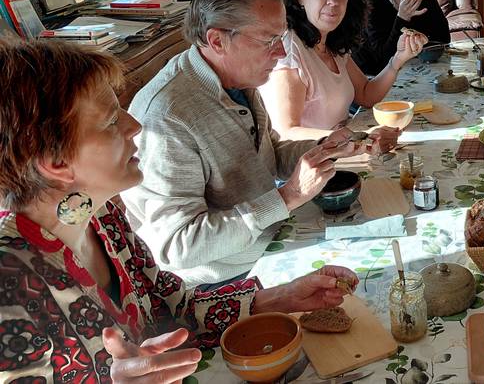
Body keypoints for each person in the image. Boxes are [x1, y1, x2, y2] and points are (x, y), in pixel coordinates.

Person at [0, 38, 358, 382]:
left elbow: (173, 308)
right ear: (56, 163)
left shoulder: (101, 218)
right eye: (111, 121)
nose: (134, 125)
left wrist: (279, 297)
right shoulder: (9, 288)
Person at [122, 0, 364, 286]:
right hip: (223, 281)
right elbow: (178, 246)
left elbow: (268, 154)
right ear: (217, 40)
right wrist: (288, 197)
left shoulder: (238, 78)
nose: (280, 53)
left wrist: (325, 147)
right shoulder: (167, 117)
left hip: (269, 237)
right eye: (269, 41)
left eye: (282, 37)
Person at [259, 0, 427, 142]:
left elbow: (366, 94)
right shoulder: (289, 52)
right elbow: (287, 133)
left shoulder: (330, 43)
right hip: (311, 163)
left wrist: (398, 59)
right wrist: (357, 137)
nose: (333, 0)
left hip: (341, 153)